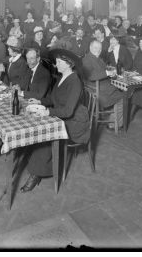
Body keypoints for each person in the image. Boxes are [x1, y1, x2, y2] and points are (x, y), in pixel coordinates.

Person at [21, 48, 90, 192]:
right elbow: (53, 99)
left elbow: (68, 111)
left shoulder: (75, 81)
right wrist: (40, 102)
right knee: (33, 123)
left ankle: (36, 174)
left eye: (58, 62)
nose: (55, 64)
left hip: (73, 121)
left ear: (68, 64)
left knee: (44, 134)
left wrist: (47, 111)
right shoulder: (61, 77)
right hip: (60, 115)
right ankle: (35, 164)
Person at [82, 40, 125, 129]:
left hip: (98, 88)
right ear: (90, 48)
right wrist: (107, 73)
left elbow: (104, 71)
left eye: (100, 48)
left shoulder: (98, 59)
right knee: (124, 96)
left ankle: (112, 117)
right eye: (95, 48)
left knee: (119, 89)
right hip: (98, 92)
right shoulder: (86, 60)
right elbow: (90, 76)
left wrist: (111, 73)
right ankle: (114, 124)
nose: (98, 50)